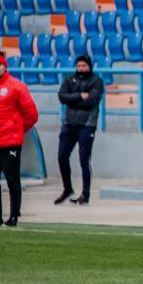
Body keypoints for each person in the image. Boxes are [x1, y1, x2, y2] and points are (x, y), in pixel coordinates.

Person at [0, 51, 38, 227]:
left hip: (9, 142)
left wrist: (16, 130)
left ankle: (13, 216)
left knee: (12, 179)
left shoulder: (17, 87)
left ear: (5, 66)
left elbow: (32, 115)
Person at [55, 54, 104, 206]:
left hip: (87, 125)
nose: (81, 68)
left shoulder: (96, 81)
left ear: (89, 66)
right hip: (69, 124)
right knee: (62, 156)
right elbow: (61, 96)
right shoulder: (69, 79)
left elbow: (91, 102)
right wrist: (80, 96)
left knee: (84, 160)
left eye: (84, 65)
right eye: (78, 66)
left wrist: (72, 99)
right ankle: (67, 188)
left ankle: (85, 194)